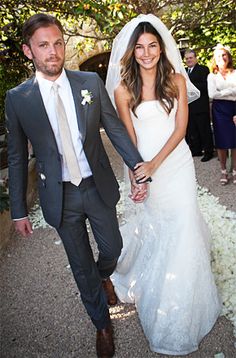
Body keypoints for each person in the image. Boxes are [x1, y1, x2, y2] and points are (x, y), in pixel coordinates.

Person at [5, 13, 149, 358]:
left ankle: (105, 277)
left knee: (112, 248)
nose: (53, 51)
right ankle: (101, 324)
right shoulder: (18, 98)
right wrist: (18, 210)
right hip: (59, 196)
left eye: (57, 43)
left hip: (95, 185)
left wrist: (138, 167)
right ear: (29, 51)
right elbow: (14, 156)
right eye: (43, 46)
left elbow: (113, 128)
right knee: (80, 265)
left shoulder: (89, 82)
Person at [106, 14, 221, 355]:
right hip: (143, 166)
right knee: (159, 228)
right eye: (139, 47)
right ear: (132, 51)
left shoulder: (175, 80)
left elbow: (181, 130)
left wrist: (154, 165)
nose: (146, 53)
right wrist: (136, 175)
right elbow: (127, 140)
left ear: (161, 48)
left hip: (176, 164)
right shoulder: (122, 89)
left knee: (184, 224)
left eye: (152, 45)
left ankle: (184, 305)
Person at [207, 44, 236, 185]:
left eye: (224, 55)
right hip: (219, 111)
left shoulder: (235, 73)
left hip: (234, 109)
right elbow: (212, 94)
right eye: (218, 56)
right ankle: (224, 171)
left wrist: (223, 92)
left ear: (228, 56)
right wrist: (231, 91)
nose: (222, 58)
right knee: (222, 143)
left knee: (235, 142)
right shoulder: (211, 76)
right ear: (215, 59)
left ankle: (235, 170)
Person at [184, 49, 214, 161]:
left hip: (200, 106)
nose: (188, 60)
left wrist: (189, 85)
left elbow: (205, 86)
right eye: (187, 58)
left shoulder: (203, 69)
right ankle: (196, 150)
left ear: (196, 58)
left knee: (204, 130)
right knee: (193, 130)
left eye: (191, 58)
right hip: (189, 106)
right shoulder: (184, 71)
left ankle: (208, 152)